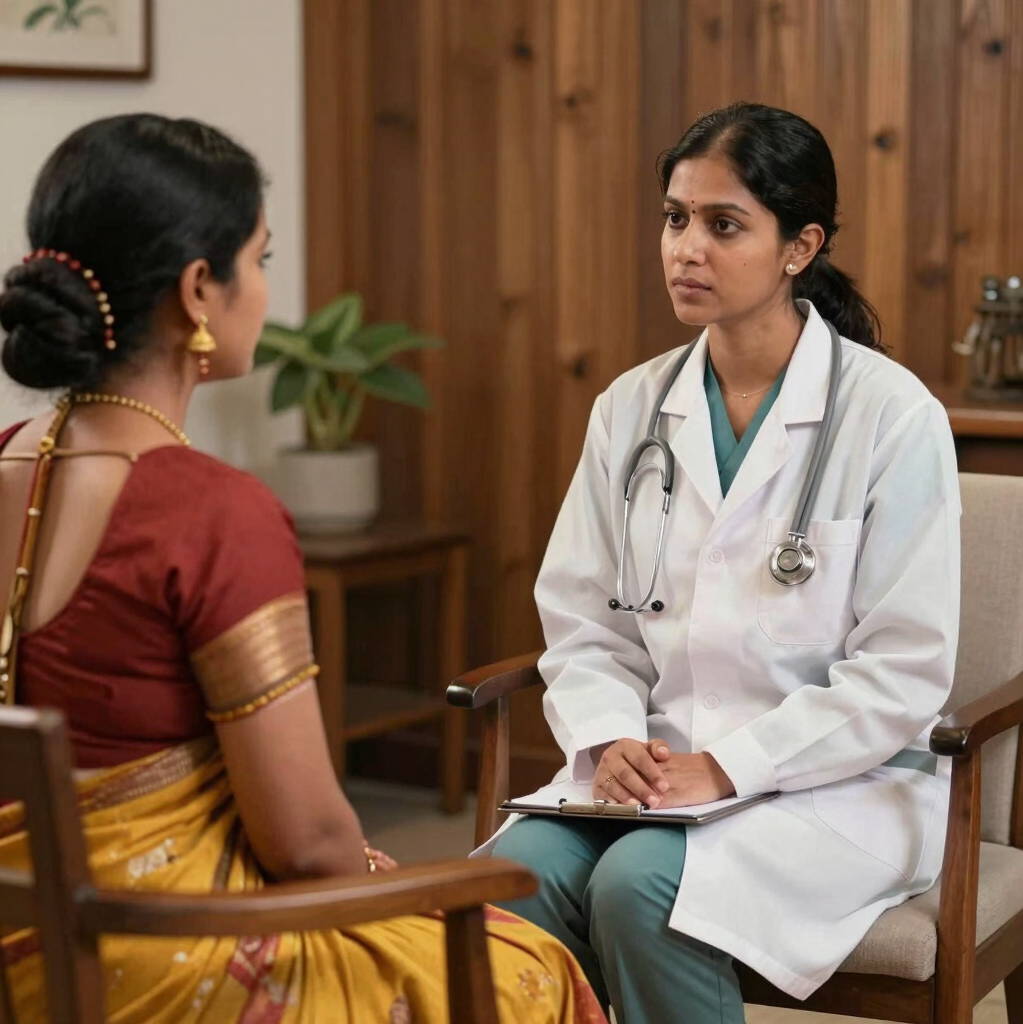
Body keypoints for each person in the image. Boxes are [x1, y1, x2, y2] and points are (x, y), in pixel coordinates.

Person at [0, 114, 607, 1024]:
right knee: (531, 965)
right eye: (262, 258)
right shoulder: (211, 512)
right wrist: (409, 880)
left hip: (27, 944)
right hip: (158, 959)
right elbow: (307, 844)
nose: (265, 290)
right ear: (199, 290)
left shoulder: (11, 457)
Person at [488, 102, 961, 1024]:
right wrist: (607, 736)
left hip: (843, 782)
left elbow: (903, 672)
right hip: (655, 766)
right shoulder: (632, 408)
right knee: (516, 880)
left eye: (723, 224)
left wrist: (731, 766)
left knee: (640, 889)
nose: (685, 248)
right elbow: (585, 619)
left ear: (800, 247)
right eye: (675, 218)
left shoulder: (891, 416)